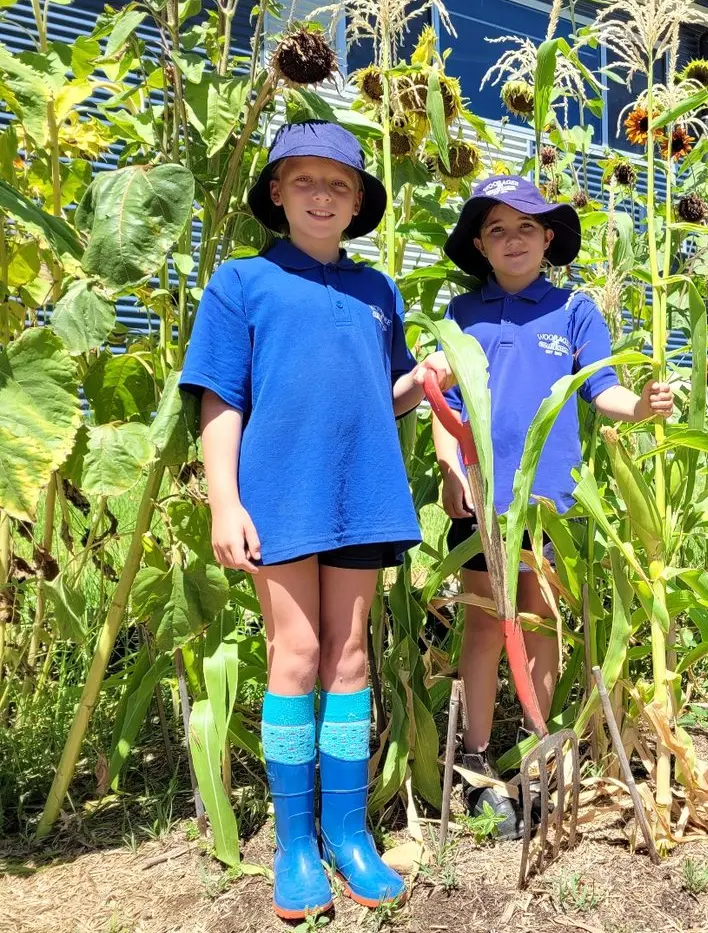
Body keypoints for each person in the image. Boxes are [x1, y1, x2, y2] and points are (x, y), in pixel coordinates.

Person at [180, 120, 452, 919]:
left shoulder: (378, 292)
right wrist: (223, 499)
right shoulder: (242, 282)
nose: (322, 195)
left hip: (361, 492)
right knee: (294, 652)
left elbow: (386, 391)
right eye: (305, 181)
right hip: (281, 494)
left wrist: (426, 379)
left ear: (360, 198)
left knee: (351, 658)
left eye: (339, 184)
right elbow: (220, 397)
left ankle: (348, 833)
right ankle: (296, 842)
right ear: (276, 192)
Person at [432, 174, 673, 838]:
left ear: (548, 240)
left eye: (527, 228)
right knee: (483, 625)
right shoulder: (462, 313)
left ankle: (539, 758)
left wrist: (643, 405)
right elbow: (442, 399)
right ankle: (478, 763)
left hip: (550, 503)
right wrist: (449, 466)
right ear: (480, 243)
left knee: (541, 623)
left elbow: (605, 392)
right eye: (498, 229)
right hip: (483, 500)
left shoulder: (573, 312)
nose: (514, 240)